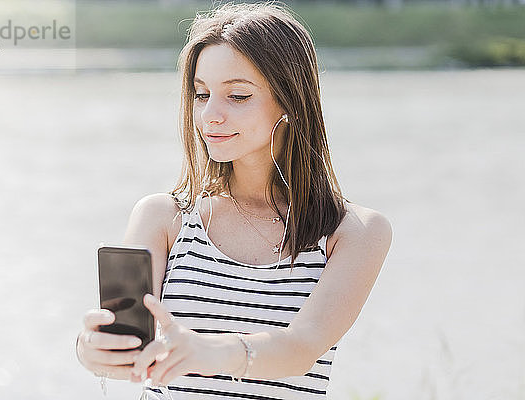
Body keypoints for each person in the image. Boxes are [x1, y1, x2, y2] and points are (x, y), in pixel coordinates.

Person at [76, 2, 392, 399]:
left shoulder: (353, 232)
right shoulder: (163, 217)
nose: (210, 115)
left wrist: (205, 350)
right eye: (201, 94)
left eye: (238, 96)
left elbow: (302, 350)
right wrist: (94, 350)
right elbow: (127, 355)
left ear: (291, 101)